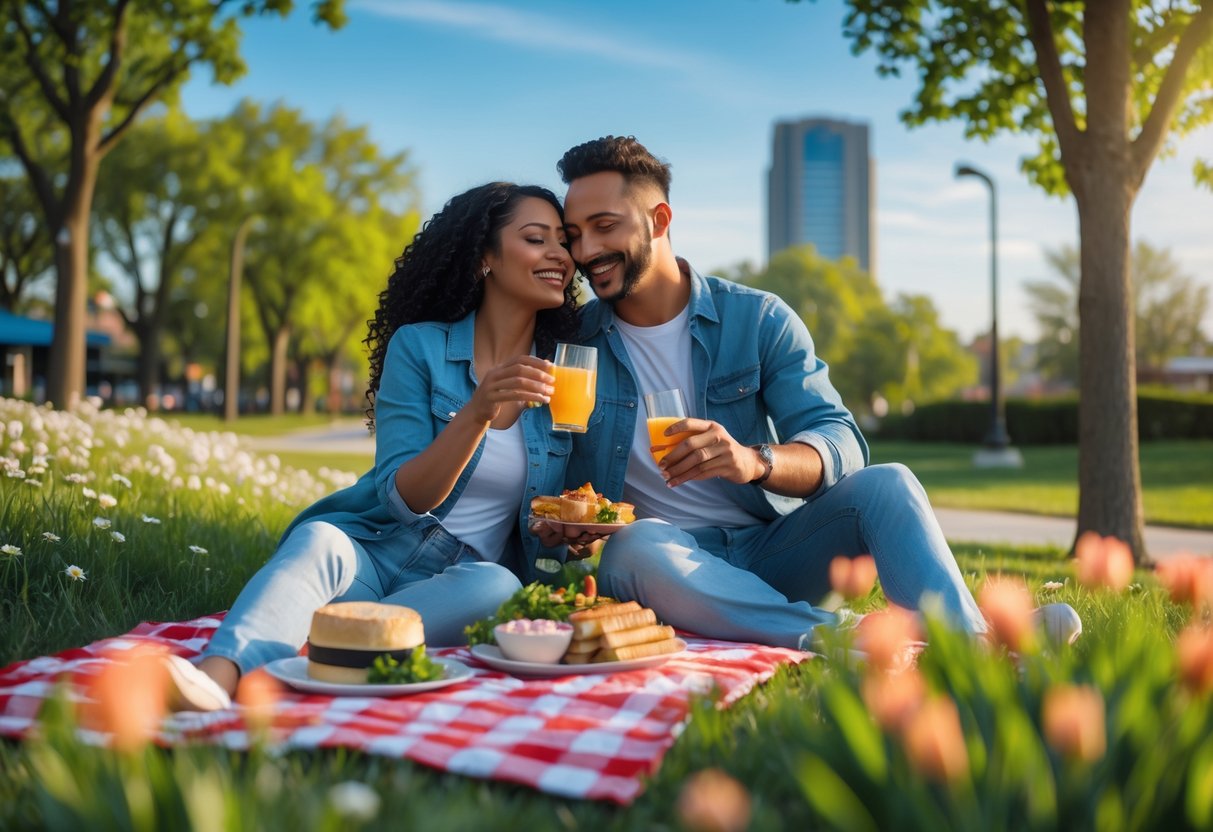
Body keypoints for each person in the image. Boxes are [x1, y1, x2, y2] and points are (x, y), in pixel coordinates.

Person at [550, 135, 1080, 651]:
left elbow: (840, 441)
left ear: (660, 220)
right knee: (635, 546)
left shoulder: (757, 318)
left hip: (776, 552)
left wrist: (753, 461)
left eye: (605, 226)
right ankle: (863, 635)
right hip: (671, 567)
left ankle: (969, 644)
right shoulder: (571, 341)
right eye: (574, 234)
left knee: (887, 483)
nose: (587, 250)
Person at [169, 182, 579, 710]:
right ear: (485, 257)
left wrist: (576, 535)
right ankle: (215, 679)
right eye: (535, 238)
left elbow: (568, 513)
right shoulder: (421, 346)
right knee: (320, 541)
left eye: (563, 242)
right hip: (376, 553)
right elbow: (405, 497)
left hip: (459, 587)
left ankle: (323, 649)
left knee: (500, 588)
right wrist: (477, 410)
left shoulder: (568, 376)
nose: (560, 255)